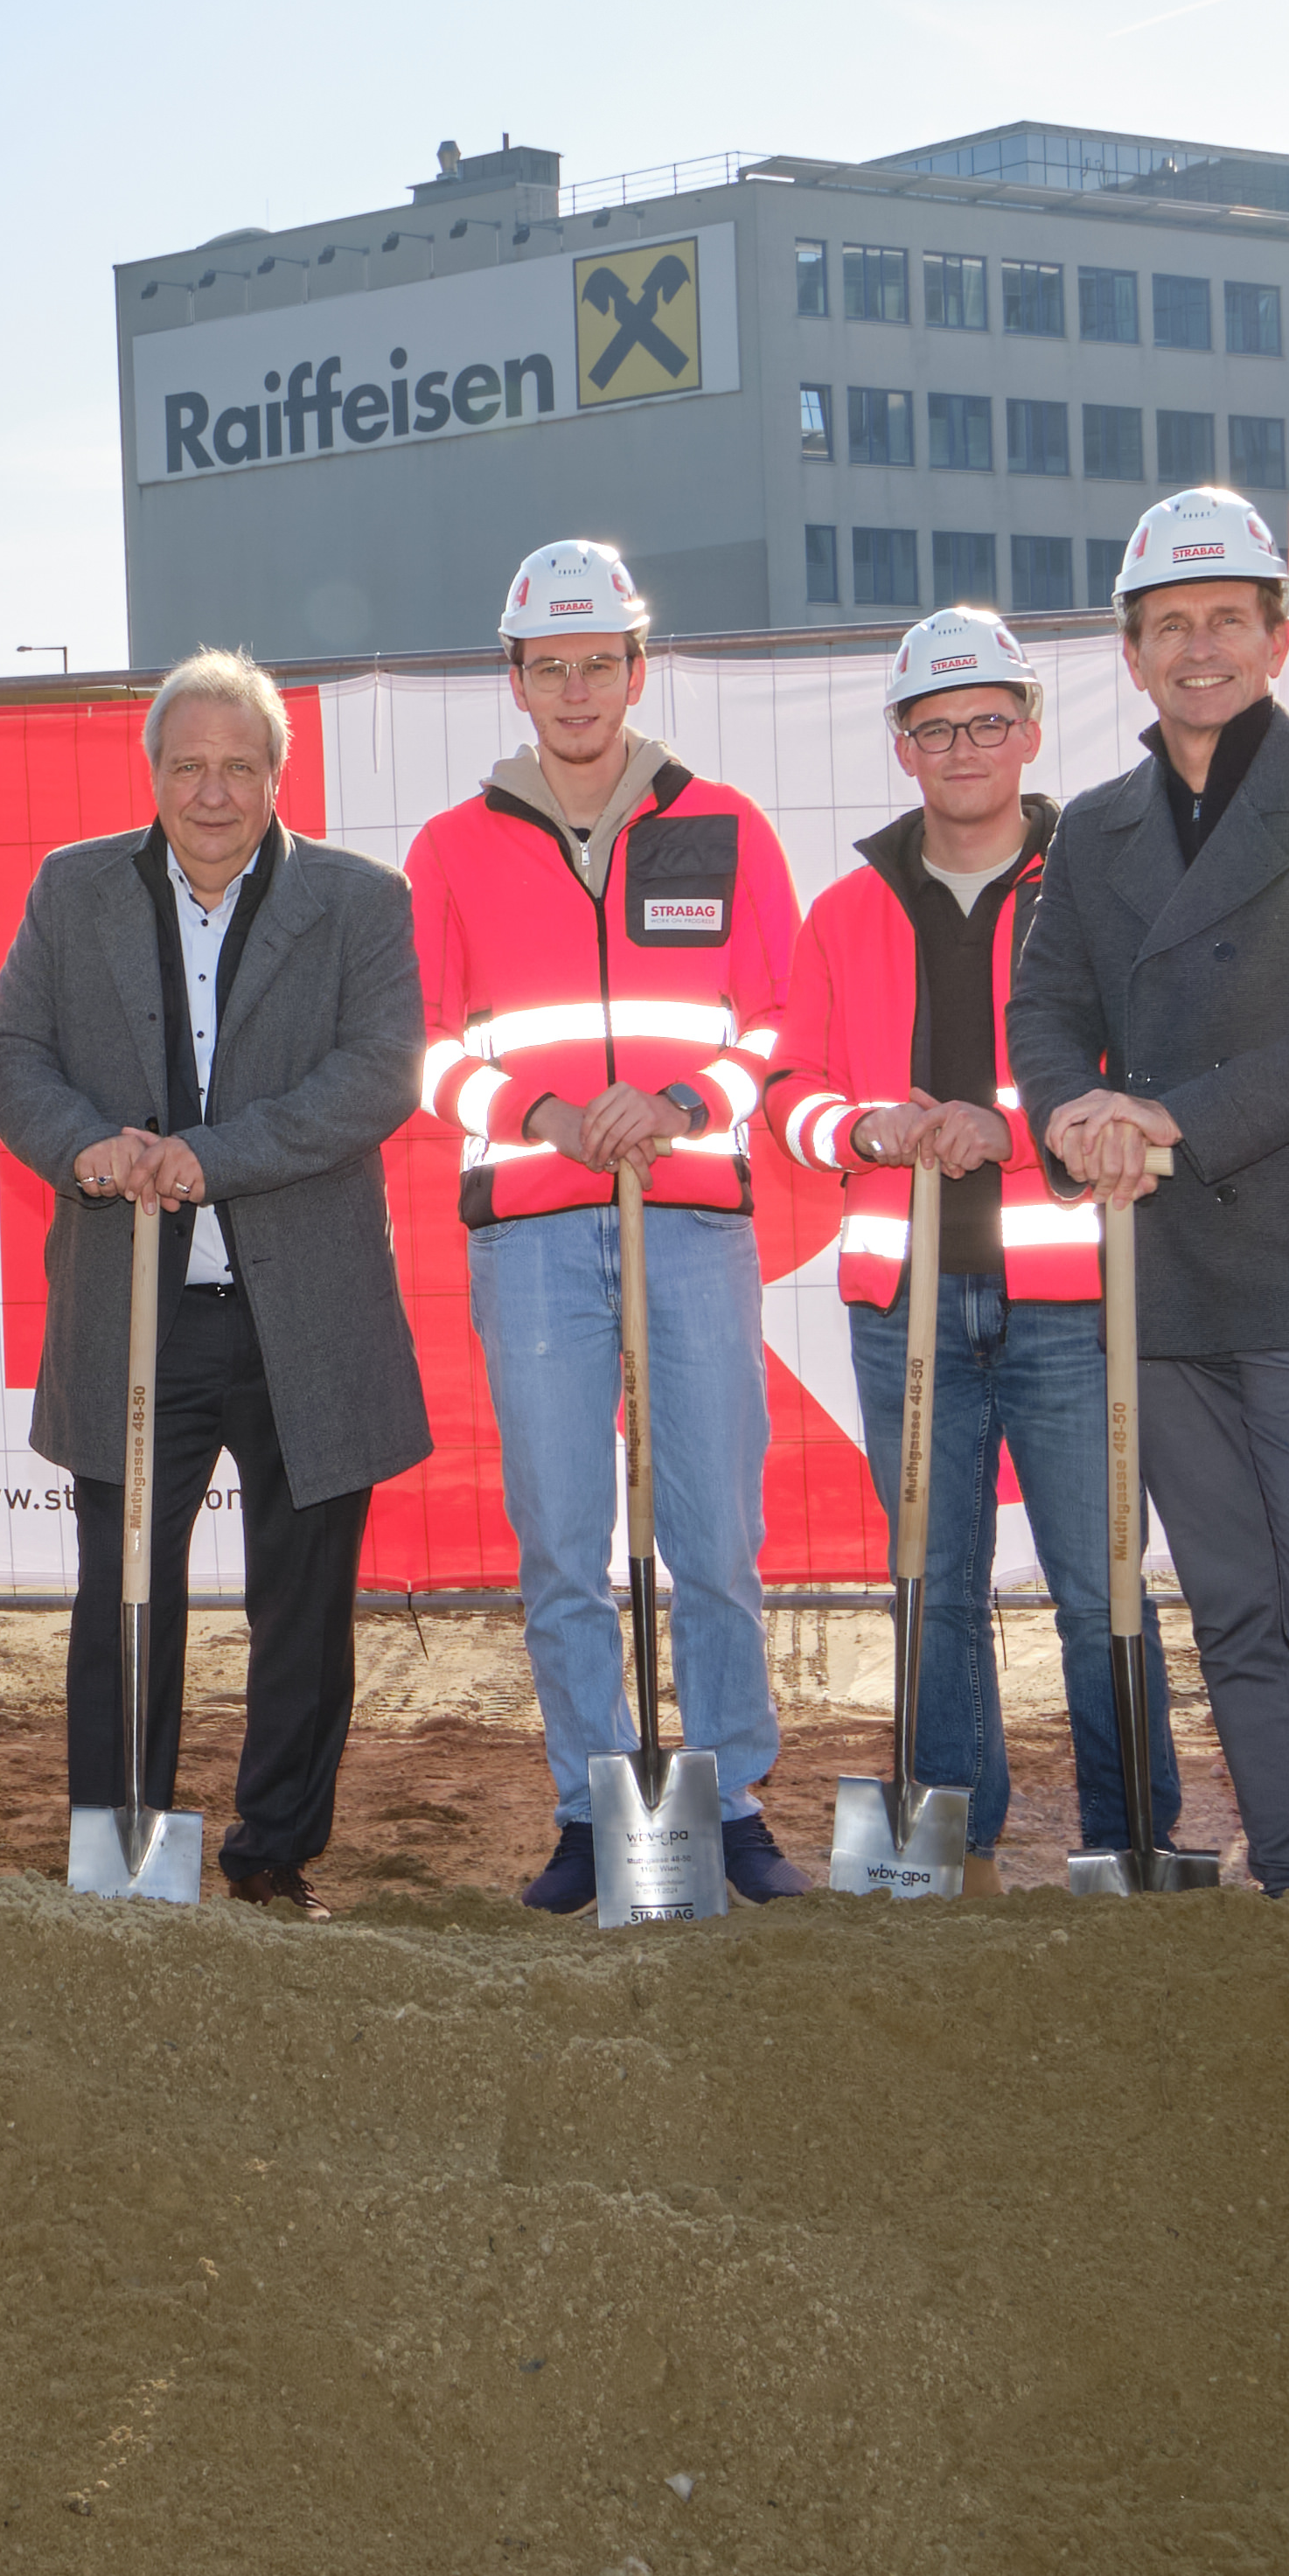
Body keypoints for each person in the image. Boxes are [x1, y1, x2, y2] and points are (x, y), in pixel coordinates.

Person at [1010, 488, 1289, 1891]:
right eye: (1168, 626)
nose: (1197, 648)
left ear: (1278, 637)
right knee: (1238, 1610)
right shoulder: (1095, 828)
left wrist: (1175, 1117)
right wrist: (1073, 1113)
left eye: (1224, 620)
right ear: (1131, 654)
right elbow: (1043, 1007)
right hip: (1166, 1271)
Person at [0, 647, 433, 1912]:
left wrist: (208, 1157)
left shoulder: (360, 900)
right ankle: (120, 1848)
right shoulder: (74, 890)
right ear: (154, 773)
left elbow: (379, 1074)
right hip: (131, 1313)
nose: (213, 793)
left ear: (279, 774)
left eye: (239, 766)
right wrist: (88, 1148)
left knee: (305, 1606)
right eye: (188, 767)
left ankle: (274, 1855)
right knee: (124, 1596)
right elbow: (9, 1056)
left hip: (310, 1317)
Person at [406, 540, 809, 1907]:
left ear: (639, 670)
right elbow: (423, 1051)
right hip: (530, 1229)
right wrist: (545, 1117)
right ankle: (591, 1806)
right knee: (563, 1542)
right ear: (515, 680)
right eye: (550, 667)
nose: (575, 689)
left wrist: (684, 1103)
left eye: (599, 663)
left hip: (690, 1219)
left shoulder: (728, 826)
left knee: (715, 1532)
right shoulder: (452, 849)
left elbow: (779, 1029)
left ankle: (732, 1799)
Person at [768, 606, 1129, 1887]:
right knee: (935, 1584)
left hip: (1072, 1298)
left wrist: (1010, 1129)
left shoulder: (1098, 891)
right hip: (905, 1299)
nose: (963, 748)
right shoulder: (845, 910)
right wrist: (863, 1129)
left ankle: (1128, 1841)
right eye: (936, 728)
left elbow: (1134, 1083)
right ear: (901, 745)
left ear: (1029, 731)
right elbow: (788, 1095)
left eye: (986, 722)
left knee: (1099, 1588)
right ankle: (953, 1839)